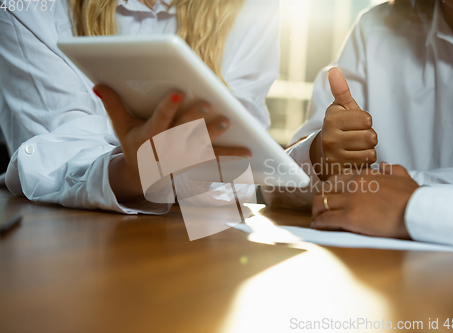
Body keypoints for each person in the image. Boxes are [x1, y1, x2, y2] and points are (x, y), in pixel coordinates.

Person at [0, 0, 279, 214]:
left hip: (207, 241)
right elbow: (50, 161)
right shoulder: (33, 9)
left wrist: (123, 160)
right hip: (73, 240)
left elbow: (235, 173)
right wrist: (134, 169)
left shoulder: (252, 9)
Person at [266, 0, 453, 250]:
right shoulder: (374, 29)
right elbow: (275, 184)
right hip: (380, 271)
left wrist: (410, 205)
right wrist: (320, 158)